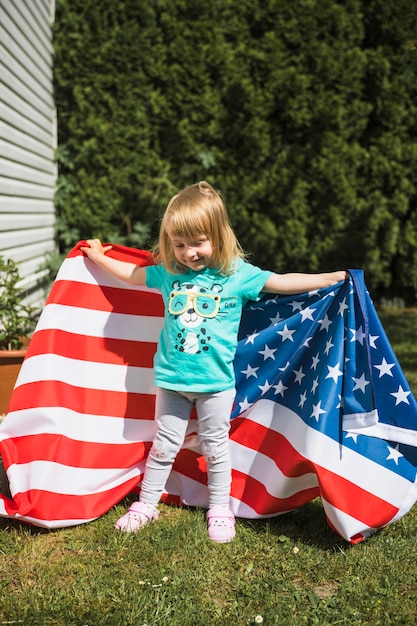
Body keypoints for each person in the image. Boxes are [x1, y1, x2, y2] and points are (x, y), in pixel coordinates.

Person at [81, 181, 346, 543]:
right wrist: (98, 257)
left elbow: (281, 282)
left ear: (218, 236)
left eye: (198, 242)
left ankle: (220, 508)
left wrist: (330, 278)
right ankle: (146, 503)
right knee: (163, 445)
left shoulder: (237, 275)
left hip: (216, 385)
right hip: (172, 381)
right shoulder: (168, 273)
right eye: (180, 244)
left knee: (216, 447)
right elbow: (131, 275)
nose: (190, 253)